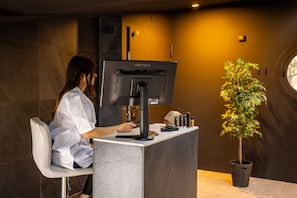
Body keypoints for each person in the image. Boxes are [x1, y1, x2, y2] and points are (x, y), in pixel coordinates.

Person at [49, 55, 136, 198]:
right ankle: (86, 196)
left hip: (64, 151)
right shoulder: (75, 99)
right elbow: (88, 132)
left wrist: (89, 145)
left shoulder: (70, 95)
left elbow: (76, 131)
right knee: (115, 159)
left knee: (107, 154)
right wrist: (117, 129)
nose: (95, 75)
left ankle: (85, 195)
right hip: (70, 155)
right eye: (92, 72)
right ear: (83, 76)